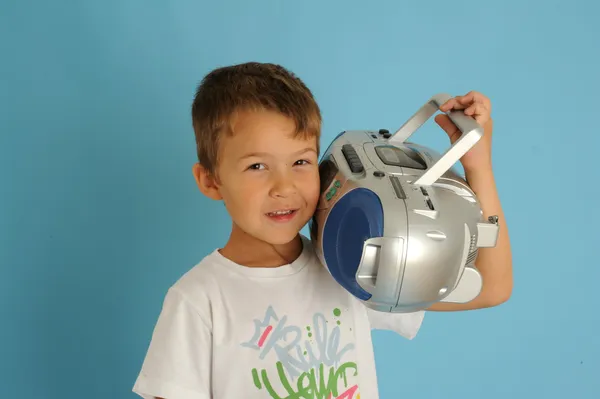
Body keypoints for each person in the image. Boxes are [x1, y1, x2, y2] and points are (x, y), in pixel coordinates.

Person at [131, 62, 513, 399]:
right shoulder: (198, 302)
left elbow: (491, 287)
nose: (284, 186)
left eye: (300, 161)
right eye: (257, 167)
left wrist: (478, 167)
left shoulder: (355, 264)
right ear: (211, 181)